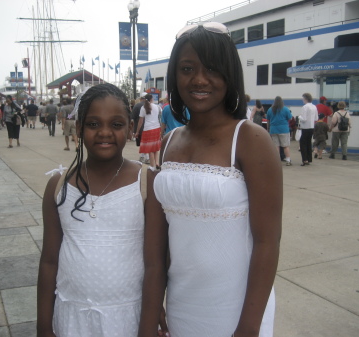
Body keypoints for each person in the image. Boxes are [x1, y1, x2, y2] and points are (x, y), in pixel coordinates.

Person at [138, 22, 280, 337]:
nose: (200, 79)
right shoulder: (170, 140)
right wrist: (153, 307)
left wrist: (248, 328)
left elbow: (267, 243)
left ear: (230, 74)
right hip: (182, 303)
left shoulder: (250, 139)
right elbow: (162, 244)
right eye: (188, 68)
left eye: (213, 69)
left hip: (235, 308)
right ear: (174, 74)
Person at [37, 83, 147, 337]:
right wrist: (43, 326)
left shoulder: (145, 183)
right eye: (93, 124)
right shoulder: (59, 185)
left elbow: (155, 265)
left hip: (128, 317)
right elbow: (49, 260)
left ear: (130, 129)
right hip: (71, 318)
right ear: (78, 128)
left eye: (116, 124)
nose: (104, 132)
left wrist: (148, 325)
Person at [135, 94, 162, 169]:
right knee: (156, 147)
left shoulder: (143, 108)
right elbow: (160, 117)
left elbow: (140, 121)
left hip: (147, 129)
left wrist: (137, 131)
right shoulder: (157, 107)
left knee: (150, 149)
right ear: (151, 99)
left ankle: (152, 165)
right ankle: (157, 163)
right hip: (157, 128)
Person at [267, 96, 293, 166]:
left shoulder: (270, 109)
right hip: (284, 129)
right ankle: (288, 160)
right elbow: (290, 118)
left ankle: (277, 160)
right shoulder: (285, 109)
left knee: (276, 146)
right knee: (285, 146)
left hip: (273, 129)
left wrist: (268, 129)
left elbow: (268, 120)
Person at [298, 93, 318, 166]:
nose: (302, 100)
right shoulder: (314, 107)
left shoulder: (305, 107)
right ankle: (309, 159)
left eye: (303, 98)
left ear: (305, 99)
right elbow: (316, 118)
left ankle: (305, 159)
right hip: (311, 127)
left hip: (305, 127)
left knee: (303, 143)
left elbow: (304, 119)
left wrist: (299, 117)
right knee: (309, 143)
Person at [131, 95, 149, 163]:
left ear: (141, 98)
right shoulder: (151, 106)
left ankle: (145, 157)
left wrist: (134, 131)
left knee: (142, 143)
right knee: (145, 143)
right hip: (149, 127)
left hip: (140, 127)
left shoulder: (137, 106)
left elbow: (133, 117)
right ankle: (144, 156)